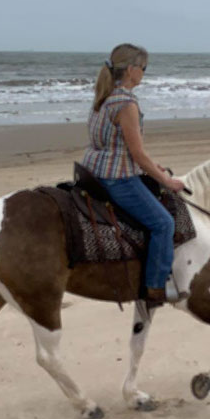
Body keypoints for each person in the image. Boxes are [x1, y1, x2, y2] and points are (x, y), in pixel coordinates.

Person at [81, 43, 185, 307]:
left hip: (93, 171)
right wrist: (166, 180)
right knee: (164, 224)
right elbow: (136, 154)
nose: (144, 73)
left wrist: (153, 166)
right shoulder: (126, 103)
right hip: (118, 179)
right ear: (131, 70)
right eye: (144, 68)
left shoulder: (103, 97)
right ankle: (155, 287)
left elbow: (118, 147)